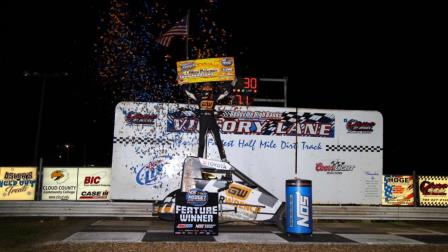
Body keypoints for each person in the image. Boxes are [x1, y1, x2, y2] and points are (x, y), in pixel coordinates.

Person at [184, 79, 236, 162]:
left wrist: (232, 84)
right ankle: (200, 159)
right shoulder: (199, 96)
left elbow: (225, 93)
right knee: (201, 141)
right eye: (205, 86)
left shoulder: (214, 96)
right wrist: (181, 82)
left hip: (211, 119)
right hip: (203, 119)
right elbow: (188, 93)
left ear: (211, 88)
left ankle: (223, 158)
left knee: (218, 140)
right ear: (202, 88)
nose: (207, 87)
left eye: (209, 86)